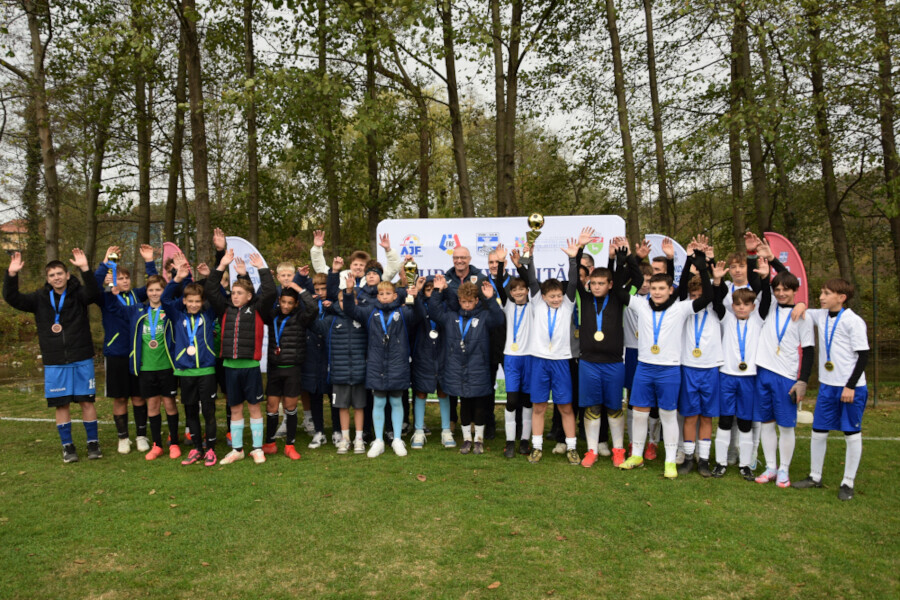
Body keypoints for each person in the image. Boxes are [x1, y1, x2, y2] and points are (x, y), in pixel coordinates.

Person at [618, 245, 713, 478]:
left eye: (662, 288)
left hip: (669, 370)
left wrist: (702, 268)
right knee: (639, 413)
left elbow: (708, 297)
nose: (657, 292)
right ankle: (637, 455)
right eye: (654, 288)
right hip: (644, 367)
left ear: (671, 290)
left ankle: (670, 461)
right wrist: (624, 261)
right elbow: (619, 290)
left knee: (668, 415)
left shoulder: (681, 308)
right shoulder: (641, 305)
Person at [3, 249, 102, 463]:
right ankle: (68, 447)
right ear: (48, 279)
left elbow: (94, 293)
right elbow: (12, 298)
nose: (56, 278)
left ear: (67, 275)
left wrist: (85, 269)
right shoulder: (39, 298)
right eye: (52, 275)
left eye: (59, 273)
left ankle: (93, 443)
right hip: (55, 361)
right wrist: (11, 274)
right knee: (61, 404)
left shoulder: (78, 294)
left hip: (81, 357)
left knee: (86, 402)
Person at [792, 279, 869, 501]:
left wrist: (850, 386)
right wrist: (801, 304)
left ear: (841, 297)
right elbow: (804, 309)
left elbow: (863, 356)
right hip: (827, 386)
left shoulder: (853, 321)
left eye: (827, 293)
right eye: (821, 293)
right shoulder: (821, 315)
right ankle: (814, 476)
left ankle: (848, 482)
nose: (821, 297)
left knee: (851, 433)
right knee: (818, 431)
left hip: (850, 388)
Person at [204, 248, 277, 464]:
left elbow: (270, 292)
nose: (234, 296)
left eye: (239, 293)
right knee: (234, 408)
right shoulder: (224, 308)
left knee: (254, 407)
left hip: (250, 367)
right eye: (233, 292)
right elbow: (211, 289)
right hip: (230, 367)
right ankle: (237, 450)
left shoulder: (257, 309)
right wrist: (221, 265)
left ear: (249, 296)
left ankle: (257, 449)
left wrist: (262, 268)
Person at [341, 274, 426, 458]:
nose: (384, 296)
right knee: (378, 402)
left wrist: (416, 297)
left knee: (396, 401)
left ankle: (397, 439)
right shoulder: (370, 312)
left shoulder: (403, 312)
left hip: (398, 364)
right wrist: (348, 291)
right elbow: (350, 310)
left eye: (388, 293)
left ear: (395, 296)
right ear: (377, 296)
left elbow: (420, 315)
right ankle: (378, 440)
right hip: (376, 364)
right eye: (381, 294)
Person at [520, 232, 584, 465]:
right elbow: (532, 280)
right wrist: (530, 256)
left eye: (559, 295)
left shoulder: (567, 305)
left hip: (561, 361)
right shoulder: (537, 302)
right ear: (544, 296)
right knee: (539, 406)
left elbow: (573, 282)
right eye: (552, 296)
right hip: (539, 360)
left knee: (565, 407)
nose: (556, 299)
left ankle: (572, 447)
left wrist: (573, 260)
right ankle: (537, 447)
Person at [577, 237, 640, 468]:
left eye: (601, 283)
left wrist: (627, 256)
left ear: (610, 285)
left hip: (613, 364)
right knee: (592, 408)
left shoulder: (618, 300)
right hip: (588, 363)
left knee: (614, 408)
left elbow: (637, 278)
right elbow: (575, 277)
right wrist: (578, 251)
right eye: (593, 283)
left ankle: (618, 450)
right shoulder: (584, 298)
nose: (596, 287)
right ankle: (592, 450)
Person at [108, 273, 182, 461]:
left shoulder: (170, 309)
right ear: (146, 292)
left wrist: (178, 279)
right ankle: (157, 445)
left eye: (158, 290)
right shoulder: (137, 310)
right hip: (146, 368)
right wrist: (111, 292)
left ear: (164, 291)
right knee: (153, 405)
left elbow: (181, 299)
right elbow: (115, 309)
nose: (154, 293)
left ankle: (174, 442)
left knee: (170, 404)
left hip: (167, 367)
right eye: (151, 290)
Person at [427, 275, 504, 454]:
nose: (467, 305)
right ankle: (467, 439)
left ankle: (479, 440)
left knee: (479, 405)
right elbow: (434, 312)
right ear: (459, 301)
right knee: (464, 405)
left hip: (478, 368)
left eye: (470, 301)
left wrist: (490, 299)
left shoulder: (484, 316)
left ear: (476, 300)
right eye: (463, 301)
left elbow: (499, 319)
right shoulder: (451, 317)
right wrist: (438, 291)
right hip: (457, 368)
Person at [709, 258, 771, 480]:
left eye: (746, 304)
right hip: (727, 376)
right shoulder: (726, 318)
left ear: (753, 306)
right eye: (737, 304)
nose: (742, 307)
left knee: (745, 423)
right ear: (732, 306)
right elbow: (717, 302)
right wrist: (717, 281)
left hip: (749, 377)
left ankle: (745, 465)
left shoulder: (758, 319)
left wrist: (765, 278)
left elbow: (767, 299)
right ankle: (721, 463)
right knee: (725, 421)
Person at [752, 269, 814, 488]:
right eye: (777, 289)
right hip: (763, 373)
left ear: (795, 290)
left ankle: (784, 469)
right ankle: (771, 467)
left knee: (786, 426)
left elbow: (809, 351)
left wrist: (802, 380)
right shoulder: (769, 307)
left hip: (786, 376)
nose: (781, 293)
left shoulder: (803, 317)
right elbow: (764, 289)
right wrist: (765, 273)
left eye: (786, 289)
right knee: (766, 424)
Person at [94, 244, 158, 454]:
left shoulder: (137, 295)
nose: (124, 281)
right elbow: (93, 285)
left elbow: (155, 285)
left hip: (137, 355)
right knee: (120, 397)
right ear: (112, 280)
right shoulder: (106, 297)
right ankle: (123, 438)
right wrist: (105, 265)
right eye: (120, 278)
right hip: (116, 355)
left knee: (139, 397)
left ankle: (141, 436)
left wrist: (149, 261)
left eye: (127, 278)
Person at [161, 265, 220, 466]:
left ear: (202, 302)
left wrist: (211, 277)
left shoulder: (208, 316)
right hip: (185, 372)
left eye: (197, 301)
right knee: (191, 412)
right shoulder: (177, 316)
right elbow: (165, 300)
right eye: (190, 301)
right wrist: (177, 279)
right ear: (184, 301)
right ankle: (196, 448)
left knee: (209, 411)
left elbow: (219, 297)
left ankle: (210, 449)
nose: (194, 305)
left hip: (206, 371)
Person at [261, 281, 317, 460]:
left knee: (290, 407)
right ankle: (269, 443)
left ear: (296, 304)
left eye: (290, 303)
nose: (286, 306)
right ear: (279, 300)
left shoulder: (301, 317)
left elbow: (313, 308)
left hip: (292, 369)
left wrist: (299, 289)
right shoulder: (272, 316)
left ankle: (289, 445)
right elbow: (261, 305)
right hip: (274, 369)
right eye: (283, 302)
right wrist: (267, 282)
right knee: (271, 406)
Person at [324, 257, 371, 454]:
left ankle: (359, 439)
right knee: (342, 407)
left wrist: (351, 292)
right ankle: (345, 439)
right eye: (342, 299)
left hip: (360, 371)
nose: (345, 302)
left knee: (360, 406)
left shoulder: (364, 318)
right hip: (340, 372)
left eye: (349, 299)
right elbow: (313, 323)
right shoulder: (331, 320)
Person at [496, 248, 534, 458]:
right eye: (514, 290)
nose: (518, 292)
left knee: (527, 401)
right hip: (511, 358)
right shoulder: (508, 306)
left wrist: (520, 265)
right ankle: (510, 441)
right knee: (511, 401)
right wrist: (502, 262)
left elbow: (532, 281)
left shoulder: (535, 305)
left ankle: (525, 441)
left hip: (530, 357)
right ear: (510, 293)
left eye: (522, 289)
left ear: (527, 290)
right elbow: (499, 283)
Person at [409, 275, 452, 449]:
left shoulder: (445, 306)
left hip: (443, 353)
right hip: (423, 354)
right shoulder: (418, 306)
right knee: (421, 392)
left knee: (443, 391)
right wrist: (418, 292)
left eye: (435, 290)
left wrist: (444, 290)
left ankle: (446, 430)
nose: (432, 293)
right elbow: (417, 315)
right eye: (428, 290)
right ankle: (419, 431)